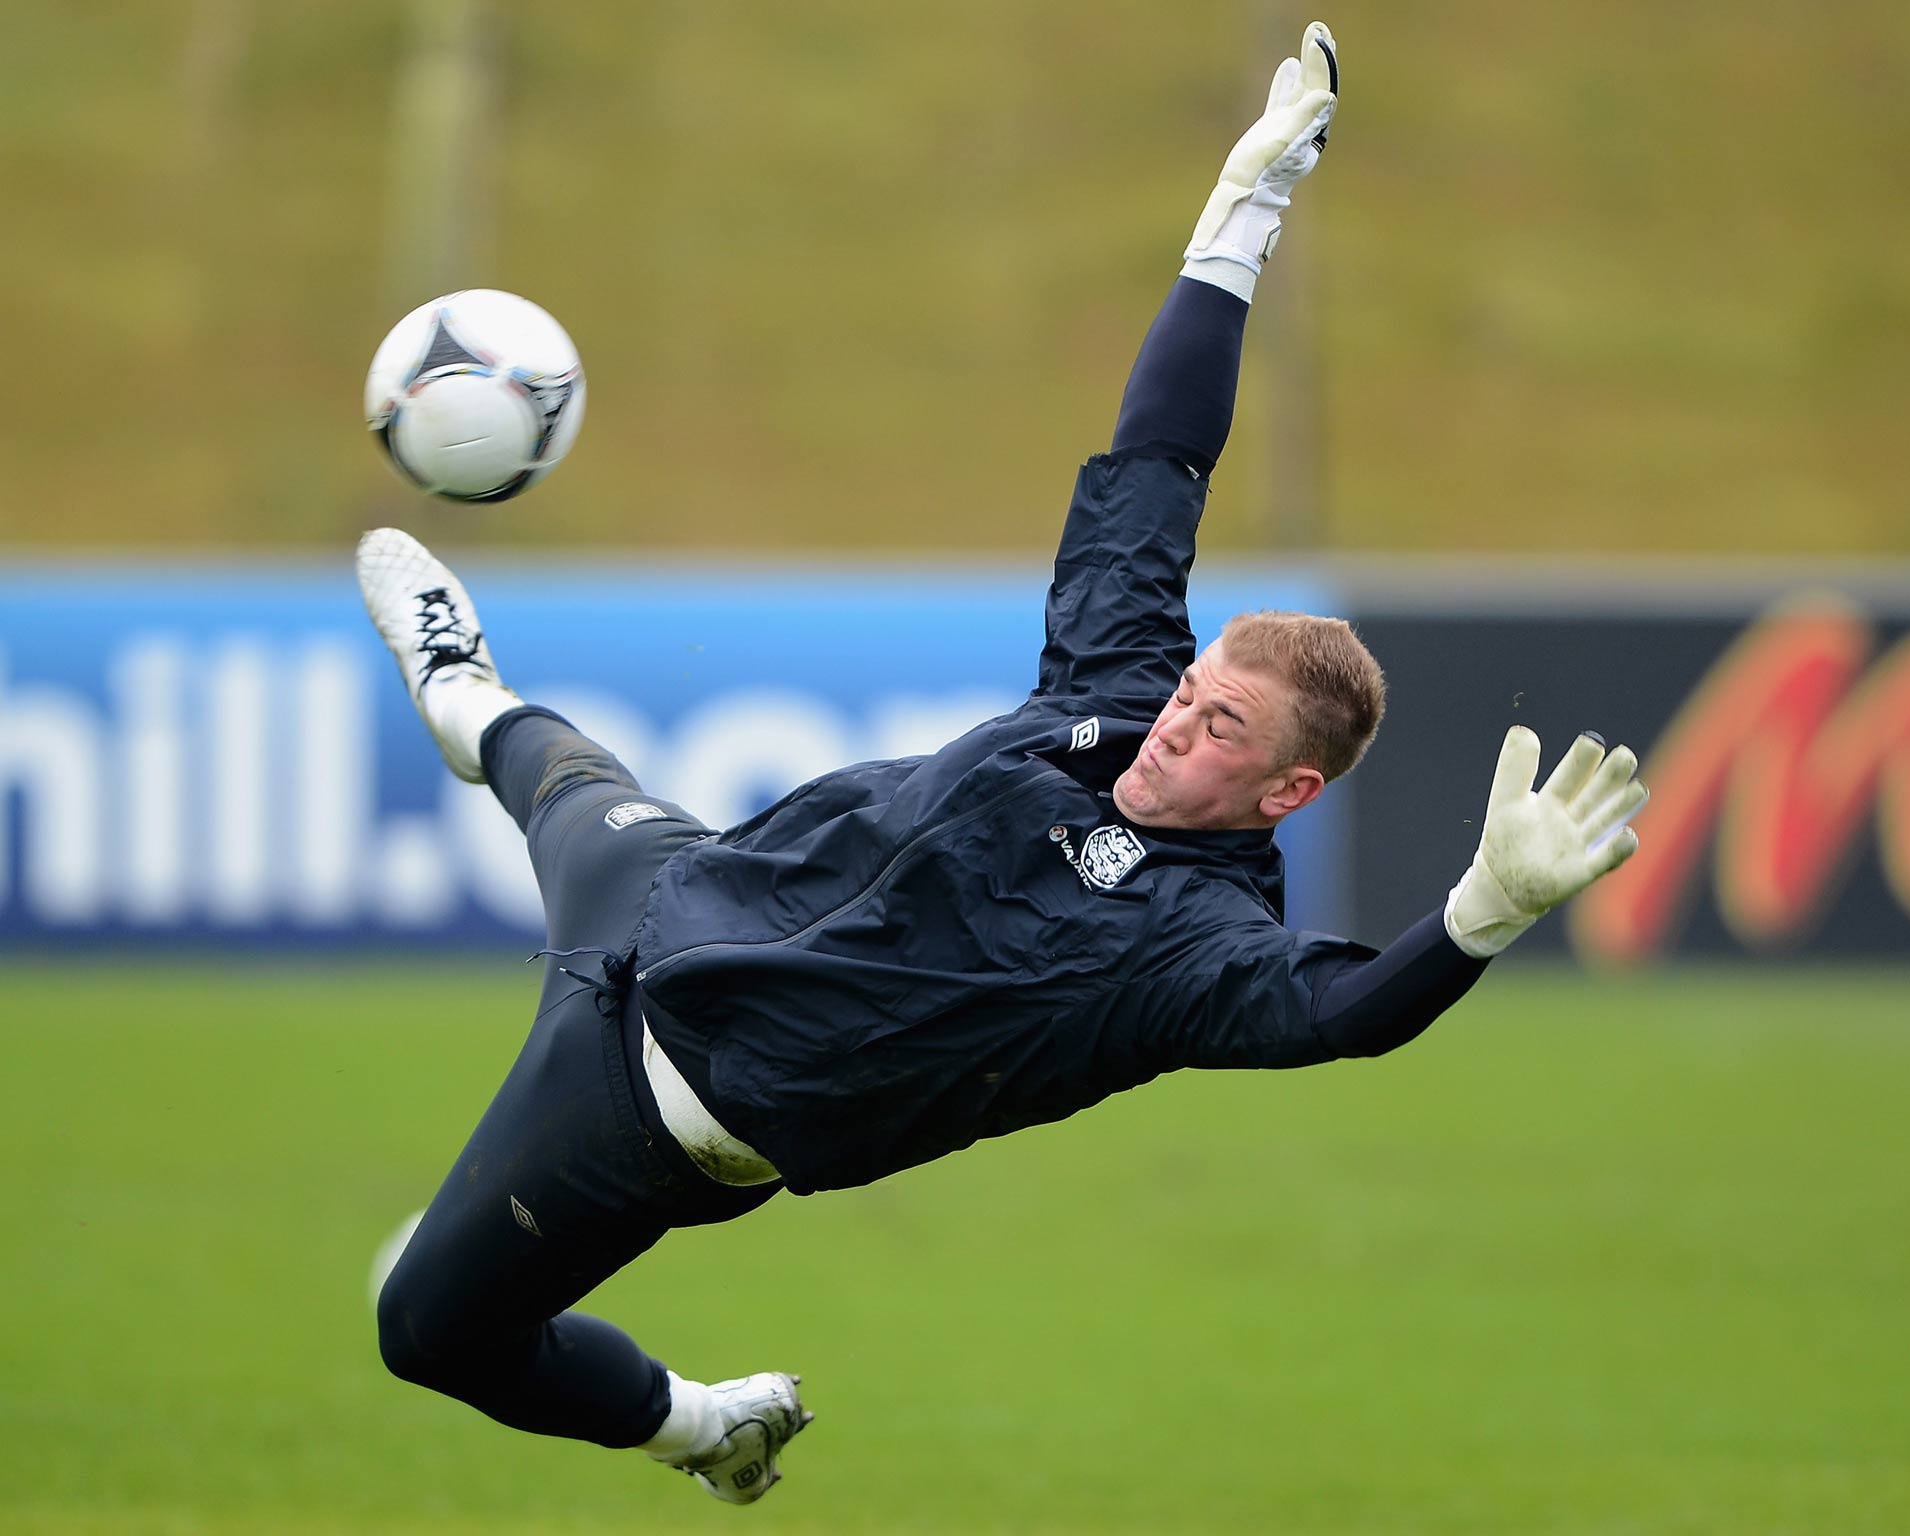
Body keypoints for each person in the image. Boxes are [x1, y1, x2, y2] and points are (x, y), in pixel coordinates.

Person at [360, 22, 1647, 1506]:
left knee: (428, 1334)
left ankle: (702, 1426)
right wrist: (1242, 216)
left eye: (1224, 729)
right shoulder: (1116, 689)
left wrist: (1481, 913)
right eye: (1194, 690)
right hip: (671, 892)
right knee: (533, 764)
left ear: (1292, 791)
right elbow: (1162, 459)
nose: (1179, 720)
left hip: (650, 1103)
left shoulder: (1187, 946)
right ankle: (460, 678)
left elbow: (1339, 1014)